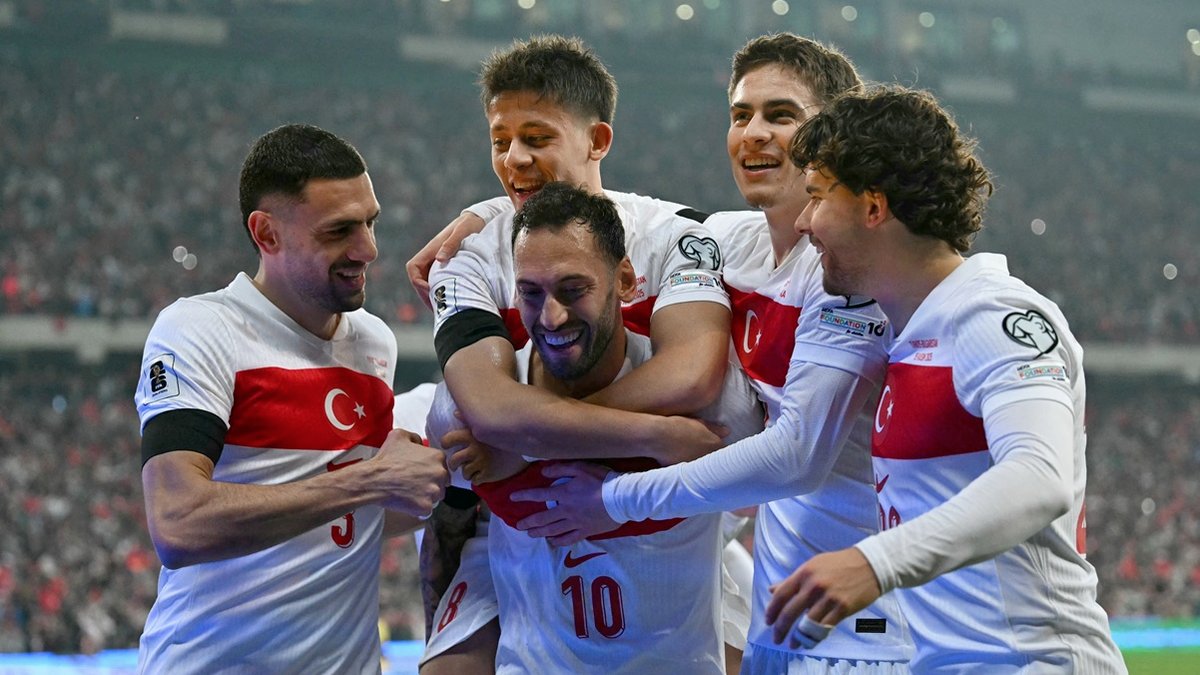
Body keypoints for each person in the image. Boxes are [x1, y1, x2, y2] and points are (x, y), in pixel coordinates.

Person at [507, 34, 913, 673]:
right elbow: (607, 212)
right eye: (740, 115)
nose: (753, 133)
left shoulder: (849, 270)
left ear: (834, 136)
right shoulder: (725, 240)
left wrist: (612, 495)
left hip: (867, 616)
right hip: (784, 603)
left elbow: (798, 458)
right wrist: (475, 222)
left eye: (780, 115)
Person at [415, 35, 752, 673]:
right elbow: (487, 408)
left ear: (597, 141)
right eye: (500, 140)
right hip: (509, 517)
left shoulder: (675, 234)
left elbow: (691, 376)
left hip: (670, 515)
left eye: (536, 138)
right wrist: (655, 434)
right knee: (448, 419)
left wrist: (528, 439)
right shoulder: (468, 253)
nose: (513, 159)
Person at [762, 86, 1127, 673]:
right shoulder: (908, 333)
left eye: (817, 197)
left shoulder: (992, 315)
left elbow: (1040, 478)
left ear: (873, 207)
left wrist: (874, 562)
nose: (804, 222)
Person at [133, 123, 449, 674]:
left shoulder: (374, 343)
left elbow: (347, 520)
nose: (368, 249)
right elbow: (179, 523)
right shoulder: (201, 329)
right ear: (267, 234)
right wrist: (371, 480)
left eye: (370, 222)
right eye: (339, 230)